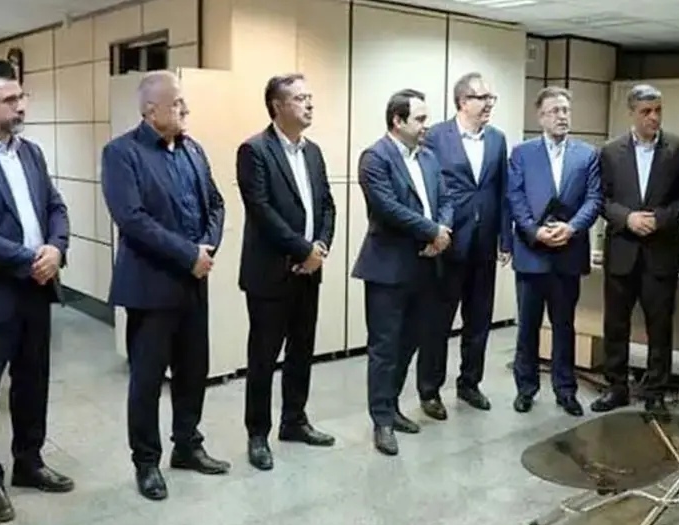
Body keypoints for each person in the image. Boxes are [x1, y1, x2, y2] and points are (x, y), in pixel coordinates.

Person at [101, 70, 229, 501]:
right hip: (150, 287)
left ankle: (187, 445)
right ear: (149, 110)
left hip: (193, 283)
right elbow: (132, 219)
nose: (185, 109)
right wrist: (188, 254)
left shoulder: (193, 149)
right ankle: (146, 462)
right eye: (176, 103)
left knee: (193, 371)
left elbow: (216, 203)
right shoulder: (122, 153)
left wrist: (207, 246)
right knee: (148, 380)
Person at [0, 60, 73, 523]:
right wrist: (29, 259)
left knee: (33, 380)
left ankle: (30, 461)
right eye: (10, 99)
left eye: (21, 97)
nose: (21, 106)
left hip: (37, 288)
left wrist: (56, 249)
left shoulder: (31, 152)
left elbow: (55, 206)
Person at [236, 73, 337, 472]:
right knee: (263, 357)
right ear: (277, 106)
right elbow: (261, 211)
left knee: (301, 350)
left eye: (310, 97)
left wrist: (320, 247)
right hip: (270, 273)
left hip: (309, 271)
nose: (309, 104)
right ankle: (257, 434)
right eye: (300, 98)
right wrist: (303, 249)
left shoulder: (313, 151)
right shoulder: (254, 150)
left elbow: (327, 204)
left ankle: (294, 420)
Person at [351, 88, 453, 456]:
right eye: (420, 119)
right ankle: (381, 421)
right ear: (398, 120)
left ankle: (392, 407)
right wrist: (432, 231)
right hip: (388, 268)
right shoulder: (375, 157)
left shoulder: (428, 157)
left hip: (426, 264)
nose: (427, 125)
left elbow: (446, 199)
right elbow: (387, 207)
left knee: (409, 342)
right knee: (385, 348)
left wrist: (443, 230)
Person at [592, 84, 679, 416]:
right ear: (632, 113)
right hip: (622, 250)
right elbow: (600, 199)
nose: (653, 117)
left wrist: (659, 219)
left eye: (658, 110)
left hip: (660, 251)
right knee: (616, 324)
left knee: (659, 326)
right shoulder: (610, 151)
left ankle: (655, 392)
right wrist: (627, 218)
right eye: (646, 111)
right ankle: (616, 387)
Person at [418, 72, 510, 419]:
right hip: (447, 243)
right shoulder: (436, 136)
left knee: (479, 319)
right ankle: (430, 390)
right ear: (462, 101)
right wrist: (430, 233)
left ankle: (470, 383)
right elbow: (426, 188)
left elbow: (502, 190)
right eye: (482, 98)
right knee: (438, 321)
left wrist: (505, 238)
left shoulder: (497, 139)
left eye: (490, 98)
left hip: (484, 244)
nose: (488, 104)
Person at [508, 86, 602, 416]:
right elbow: (515, 197)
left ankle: (565, 390)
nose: (562, 116)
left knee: (564, 326)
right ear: (540, 117)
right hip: (532, 253)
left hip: (568, 252)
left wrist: (572, 228)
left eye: (566, 110)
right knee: (528, 326)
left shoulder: (587, 154)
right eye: (554, 111)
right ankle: (526, 388)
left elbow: (594, 198)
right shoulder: (522, 153)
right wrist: (534, 232)